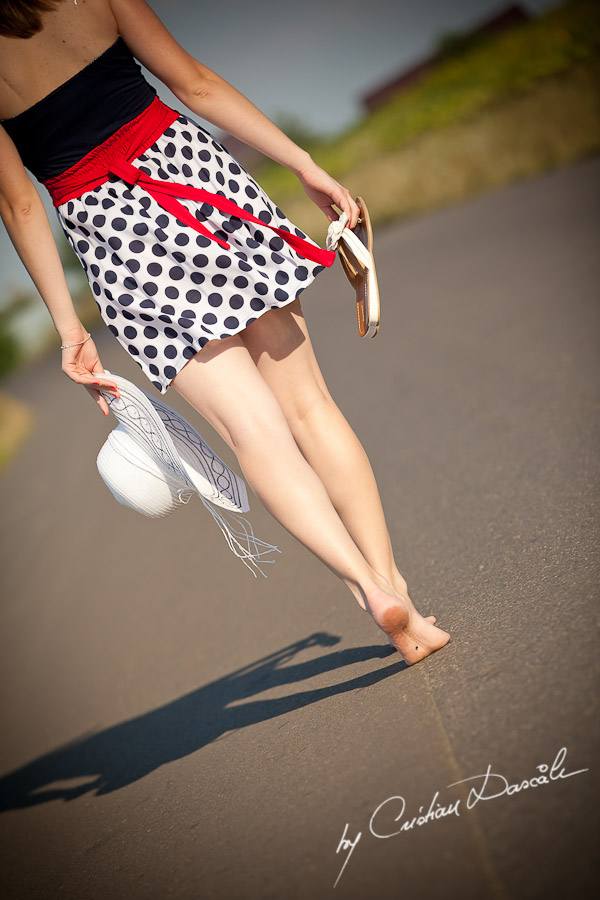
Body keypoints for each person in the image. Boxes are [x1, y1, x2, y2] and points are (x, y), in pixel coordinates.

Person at [0, 0, 451, 665]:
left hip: (118, 241)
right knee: (310, 407)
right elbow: (195, 84)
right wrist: (304, 164)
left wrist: (69, 326)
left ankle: (369, 587)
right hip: (193, 183)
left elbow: (17, 203)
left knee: (253, 435)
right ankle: (393, 584)